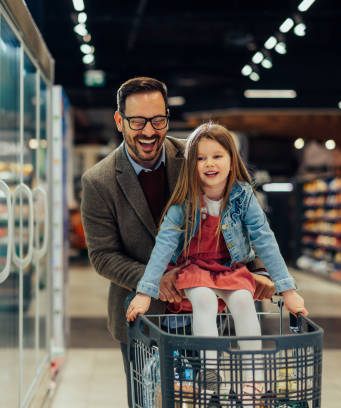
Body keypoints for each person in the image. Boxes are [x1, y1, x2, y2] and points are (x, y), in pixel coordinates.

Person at [80, 77, 276, 407]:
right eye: (137, 121)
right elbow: (103, 256)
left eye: (158, 120)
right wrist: (155, 280)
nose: (148, 132)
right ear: (119, 121)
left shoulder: (196, 155)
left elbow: (239, 211)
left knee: (207, 398)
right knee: (148, 400)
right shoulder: (98, 181)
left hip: (204, 312)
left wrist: (260, 270)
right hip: (145, 321)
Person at [126, 122, 308, 401]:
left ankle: (253, 379)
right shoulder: (184, 201)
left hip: (229, 268)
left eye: (217, 156)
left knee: (245, 303)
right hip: (195, 269)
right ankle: (212, 375)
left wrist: (289, 291)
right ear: (191, 165)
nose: (209, 164)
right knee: (203, 301)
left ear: (232, 160)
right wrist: (144, 293)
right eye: (200, 158)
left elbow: (265, 240)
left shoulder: (243, 197)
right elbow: (164, 245)